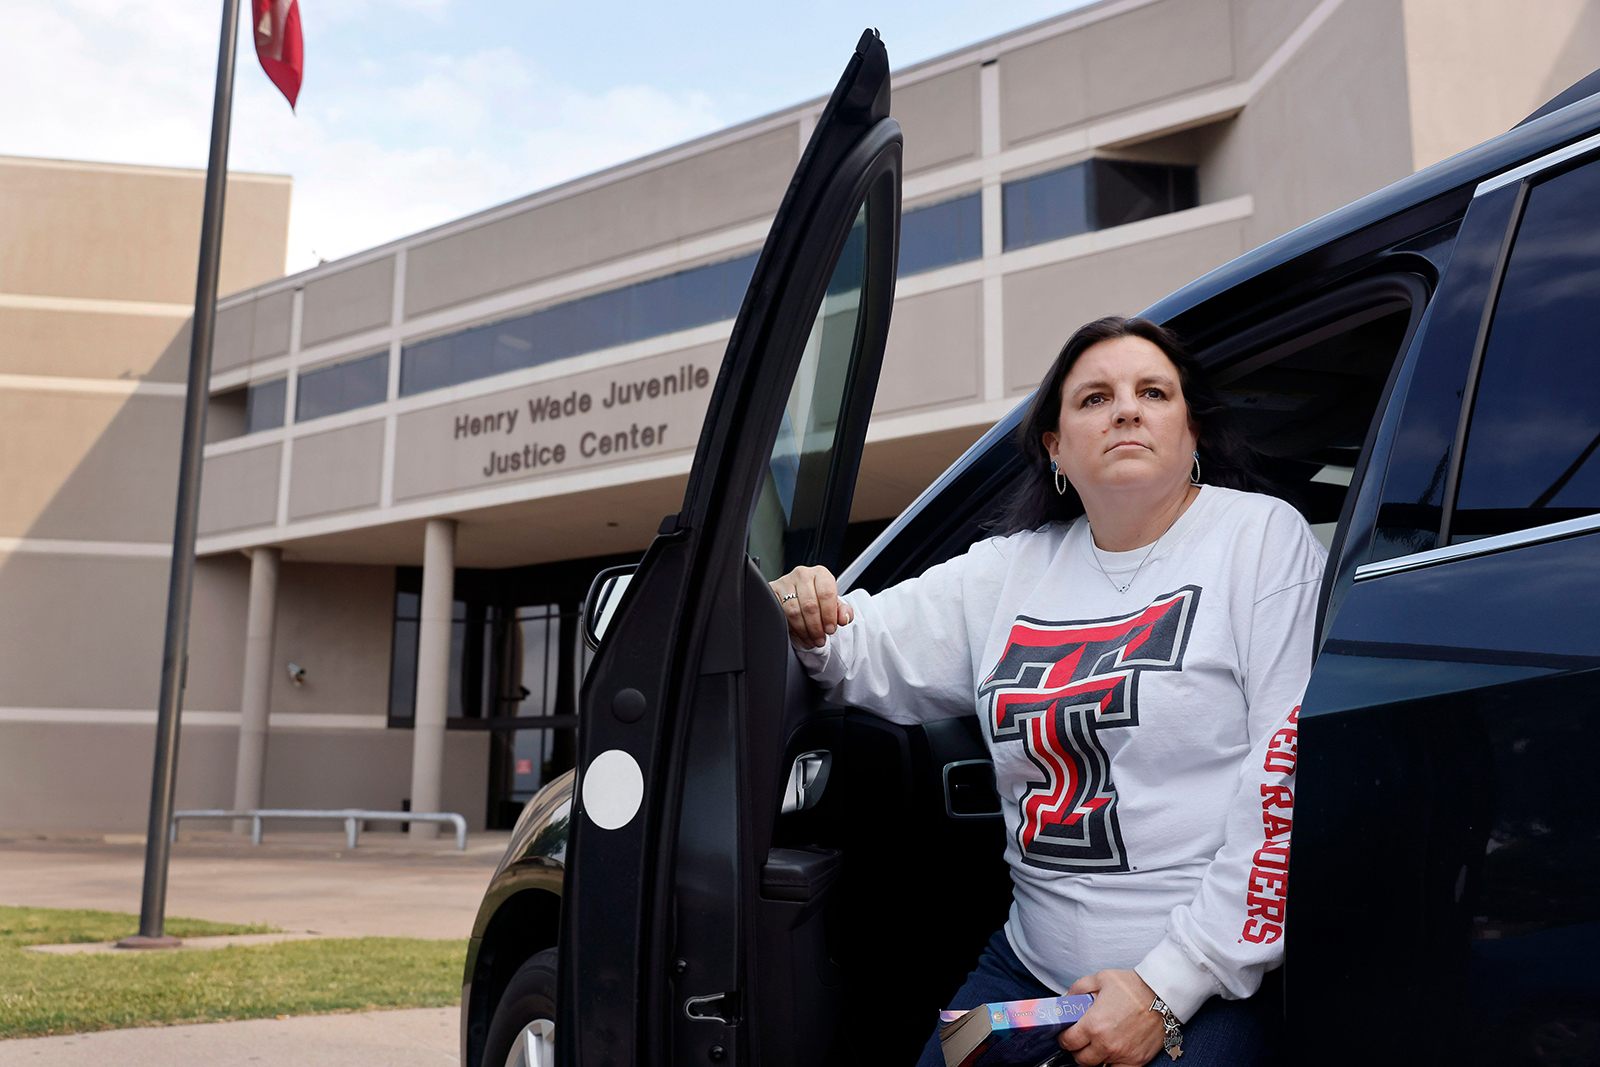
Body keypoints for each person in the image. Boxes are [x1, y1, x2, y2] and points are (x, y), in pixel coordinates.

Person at [769, 316, 1323, 1067]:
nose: (1125, 408)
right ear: (1056, 446)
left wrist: (1166, 987)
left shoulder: (1260, 539)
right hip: (1027, 972)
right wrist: (800, 606)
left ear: (1192, 433)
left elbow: (1283, 784)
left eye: (1152, 392)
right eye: (1094, 397)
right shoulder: (1007, 570)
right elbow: (860, 651)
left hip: (1205, 981)